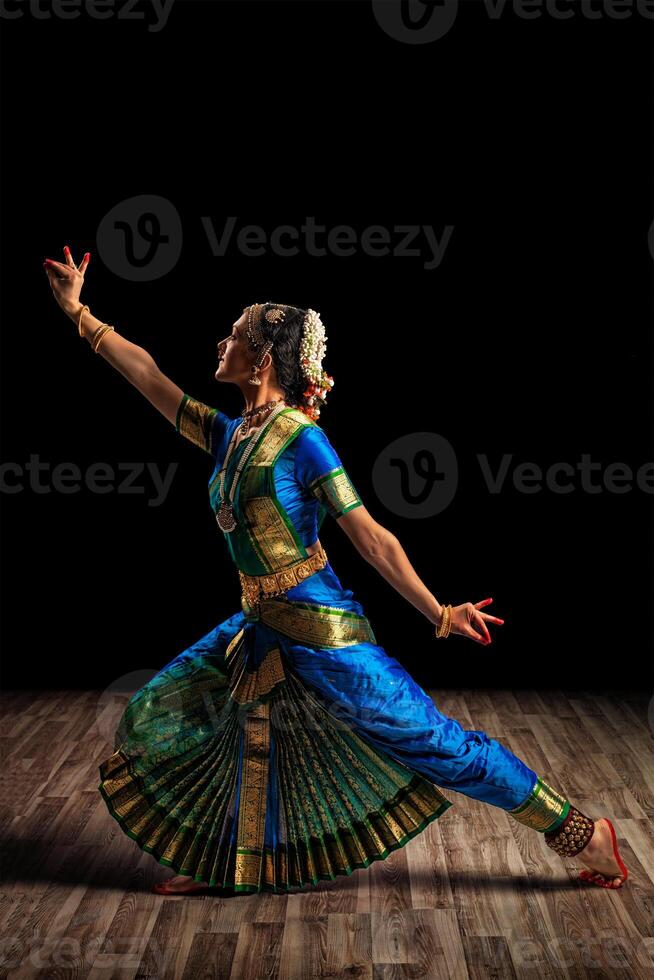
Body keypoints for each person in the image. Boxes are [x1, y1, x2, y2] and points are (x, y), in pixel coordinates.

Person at [43, 248, 629, 895]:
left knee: (434, 742)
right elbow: (152, 379)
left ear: (263, 357)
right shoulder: (231, 434)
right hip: (262, 624)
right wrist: (79, 313)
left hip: (324, 632)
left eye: (234, 334)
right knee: (195, 717)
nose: (221, 340)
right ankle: (237, 864)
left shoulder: (302, 440)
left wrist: (439, 612)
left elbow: (372, 539)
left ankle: (578, 831)